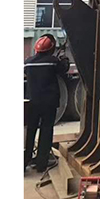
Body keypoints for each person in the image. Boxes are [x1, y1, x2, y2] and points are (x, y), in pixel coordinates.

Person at [24, 34, 69, 172]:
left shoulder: (28, 62)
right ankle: (41, 164)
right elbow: (63, 69)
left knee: (30, 131)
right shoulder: (53, 62)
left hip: (32, 102)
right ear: (51, 49)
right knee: (46, 130)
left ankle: (24, 161)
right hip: (49, 103)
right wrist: (64, 58)